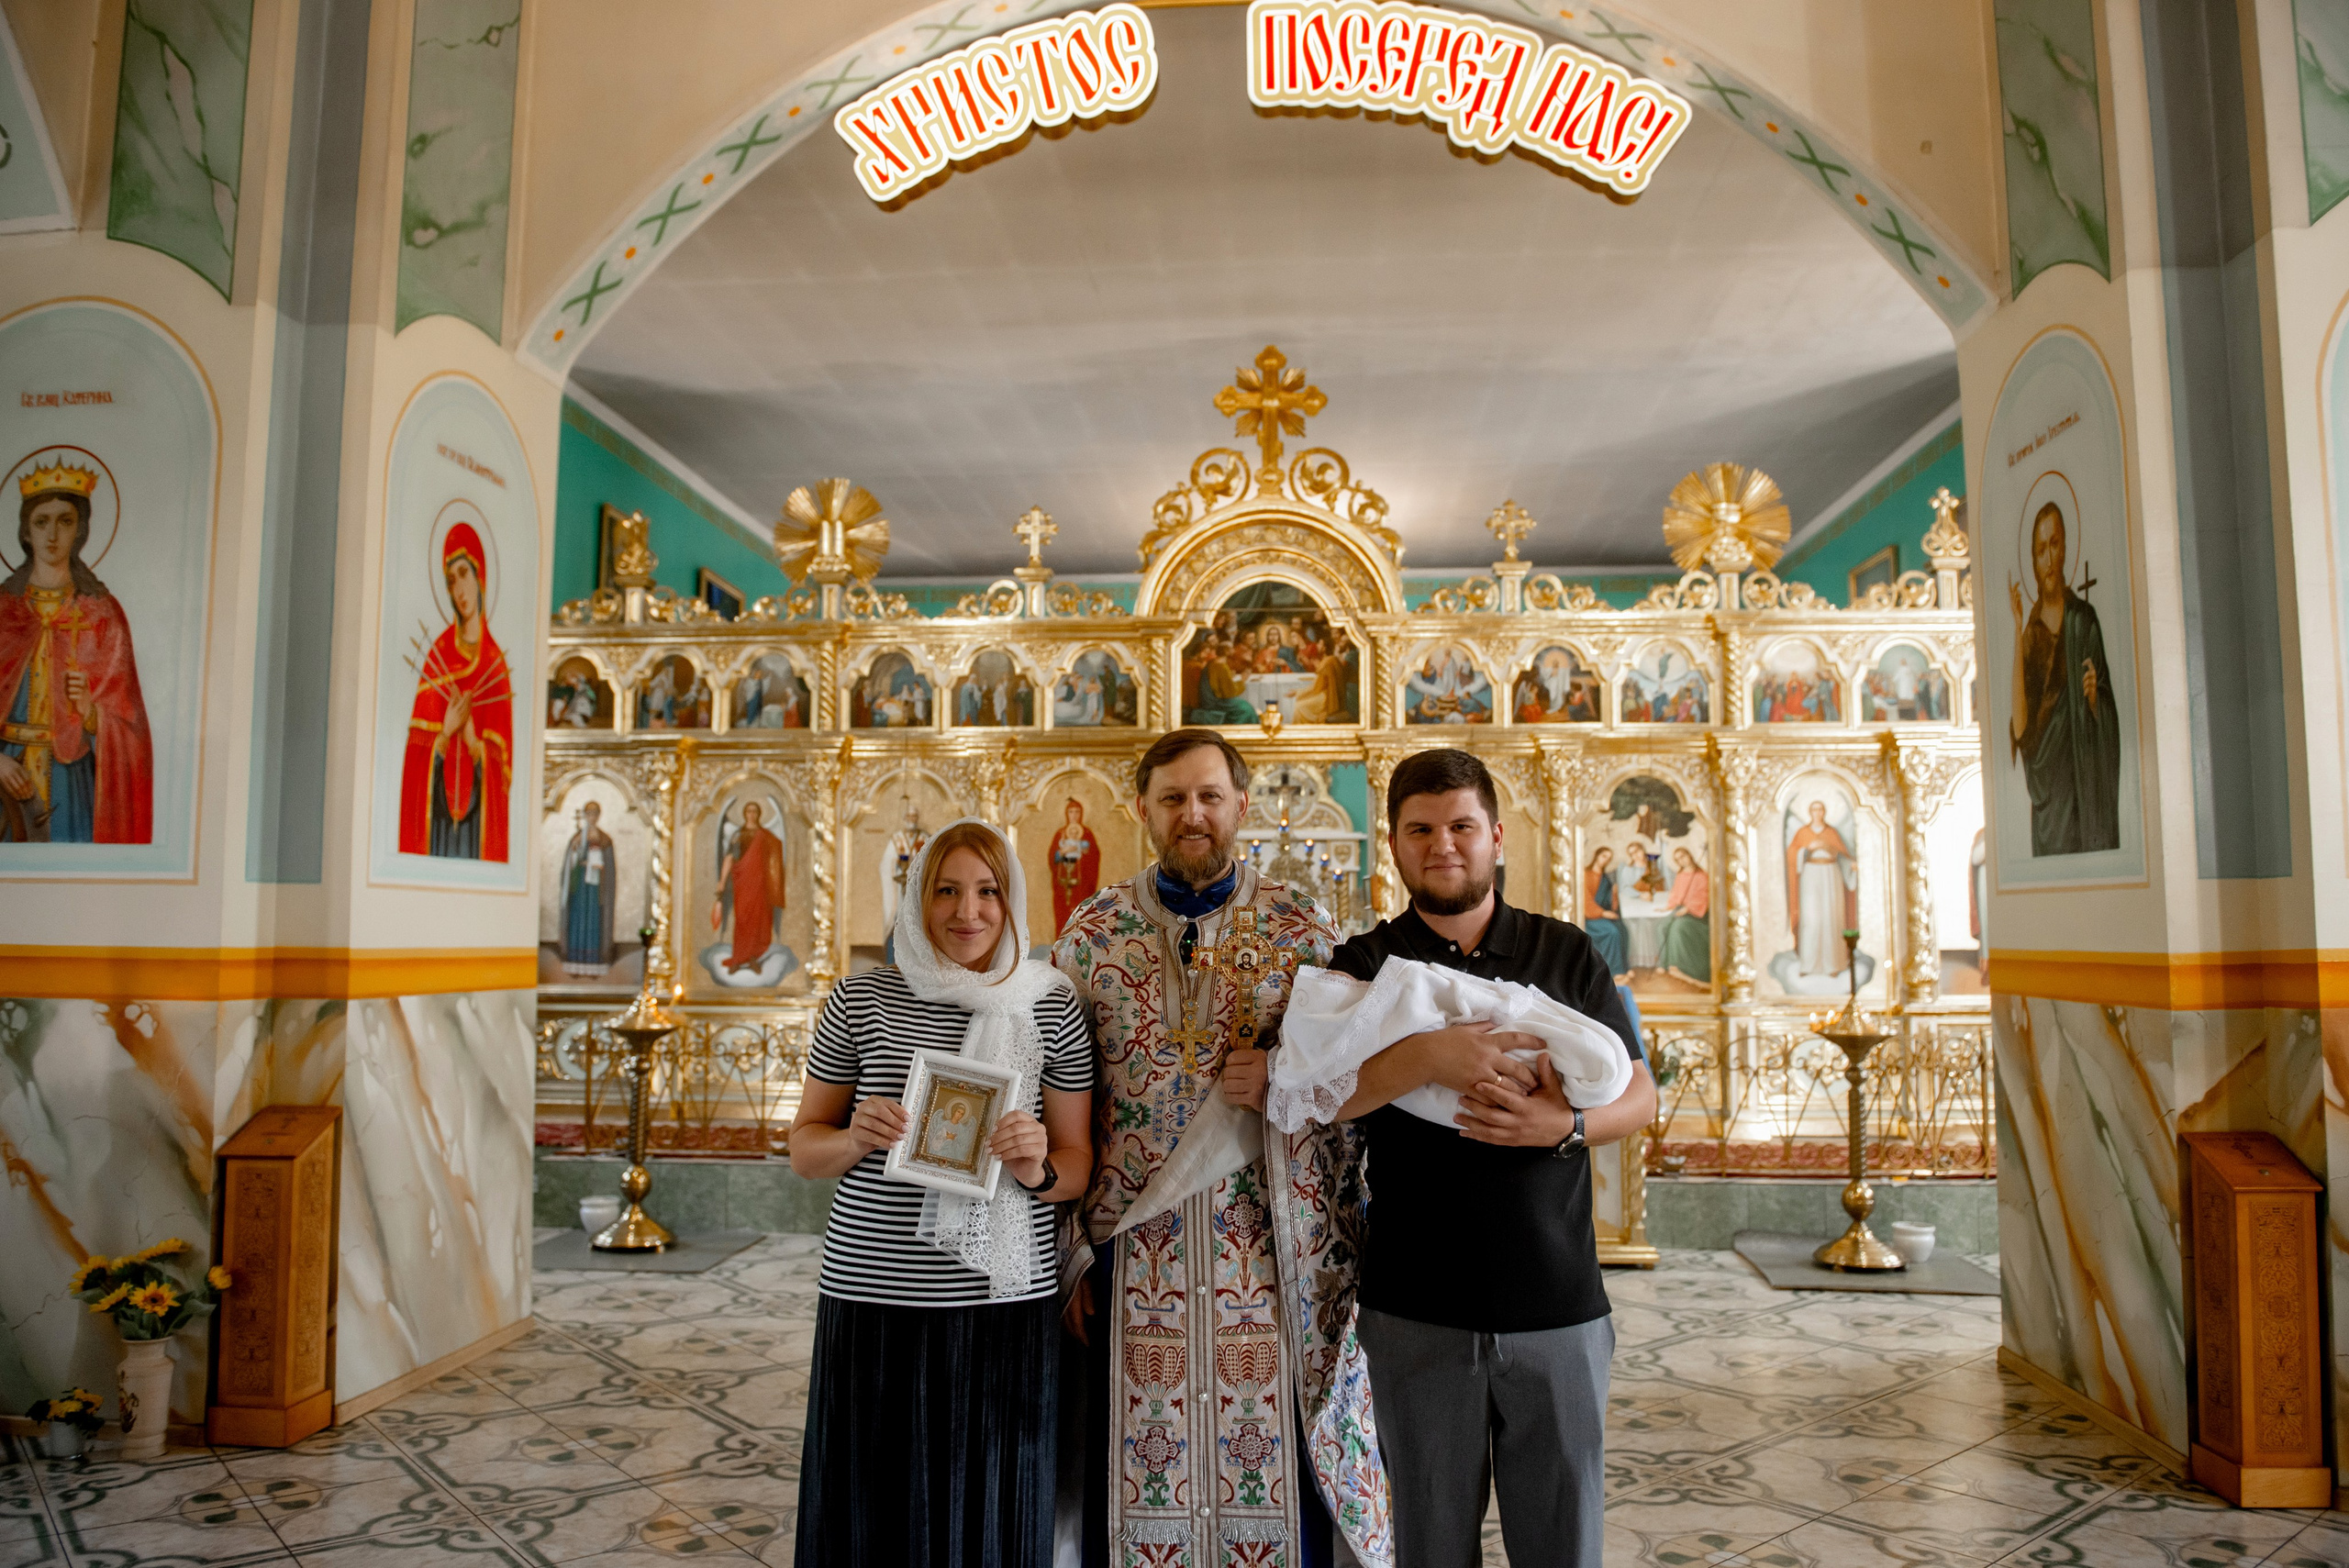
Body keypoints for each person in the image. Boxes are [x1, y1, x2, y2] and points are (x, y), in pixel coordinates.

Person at [1053, 728, 1390, 1563]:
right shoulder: (1090, 935)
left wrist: (1280, 1074)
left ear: (1242, 804)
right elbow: (1053, 1093)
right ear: (1143, 810)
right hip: (1131, 1255)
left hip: (1267, 1250)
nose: (1192, 814)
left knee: (1265, 1462)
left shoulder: (1301, 928)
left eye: (1209, 796)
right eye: (1173, 798)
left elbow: (1346, 1093)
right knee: (1136, 1468)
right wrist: (1066, 1256)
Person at [1323, 748, 1655, 1568]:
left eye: (1462, 826)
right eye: (1421, 829)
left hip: (1558, 1301)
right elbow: (1326, 1095)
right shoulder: (1365, 965)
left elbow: (1640, 1094)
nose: (1443, 845)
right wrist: (1432, 1057)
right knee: (1431, 1546)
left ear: (1496, 836)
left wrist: (1563, 1127)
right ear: (1393, 844)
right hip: (1416, 1307)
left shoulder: (1566, 953)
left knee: (1562, 1542)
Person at [789, 819, 1097, 1567]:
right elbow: (804, 1148)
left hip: (1000, 1299)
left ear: (1013, 898)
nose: (969, 911)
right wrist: (857, 1136)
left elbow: (1078, 1162)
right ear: (917, 899)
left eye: (988, 891)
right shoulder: (860, 999)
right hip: (874, 1291)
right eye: (947, 890)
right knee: (874, 1504)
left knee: (989, 1504)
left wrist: (1034, 1165)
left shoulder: (1049, 1002)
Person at [0, 461, 152, 842]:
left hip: (74, 785)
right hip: (6, 778)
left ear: (80, 530)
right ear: (25, 532)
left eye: (65, 521)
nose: (52, 534)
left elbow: (132, 728)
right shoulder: (4, 612)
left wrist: (91, 716)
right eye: (41, 522)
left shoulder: (102, 613)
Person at [2009, 500, 2121, 854]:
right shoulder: (2031, 634)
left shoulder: (2084, 620)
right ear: (2033, 559)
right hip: (2047, 788)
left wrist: (2093, 697)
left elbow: (2105, 705)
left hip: (2082, 779)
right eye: (2041, 549)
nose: (2049, 558)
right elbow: (2022, 727)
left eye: (2054, 544)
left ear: (2065, 547)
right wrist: (2015, 629)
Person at [398, 523, 512, 860]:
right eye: (451, 581)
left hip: (477, 824)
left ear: (480, 577)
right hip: (440, 824)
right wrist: (446, 733)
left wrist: (476, 744)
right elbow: (416, 758)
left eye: (464, 574)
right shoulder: (439, 657)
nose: (459, 589)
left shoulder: (494, 666)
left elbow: (504, 776)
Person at [712, 801, 785, 975]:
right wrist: (721, 882)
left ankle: (752, 957)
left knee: (758, 920)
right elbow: (730, 858)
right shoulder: (739, 835)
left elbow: (774, 860)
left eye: (755, 811)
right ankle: (738, 957)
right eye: (748, 811)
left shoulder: (765, 835)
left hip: (760, 885)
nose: (751, 815)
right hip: (743, 884)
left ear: (758, 814)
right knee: (743, 919)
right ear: (745, 814)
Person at [1787, 800, 1858, 978]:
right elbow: (1791, 856)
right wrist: (1806, 849)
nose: (1817, 813)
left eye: (1820, 809)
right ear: (1810, 812)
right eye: (1814, 809)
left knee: (1830, 917)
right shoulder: (1803, 833)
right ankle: (1808, 965)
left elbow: (1844, 856)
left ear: (1824, 812)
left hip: (1830, 874)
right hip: (1810, 875)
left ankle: (1832, 964)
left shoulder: (1831, 832)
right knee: (1810, 918)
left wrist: (1851, 864)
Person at [559, 801, 618, 976]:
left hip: (595, 890)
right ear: (585, 816)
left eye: (594, 814)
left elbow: (608, 867)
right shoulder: (577, 836)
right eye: (588, 814)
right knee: (577, 920)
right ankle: (574, 961)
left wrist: (598, 865)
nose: (591, 818)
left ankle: (594, 964)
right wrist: (576, 854)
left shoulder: (604, 839)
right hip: (579, 889)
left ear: (598, 816)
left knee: (593, 921)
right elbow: (570, 860)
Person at [1658, 847, 1710, 984]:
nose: (1682, 860)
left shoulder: (1702, 876)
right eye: (1678, 859)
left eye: (1683, 856)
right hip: (1681, 910)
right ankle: (1664, 963)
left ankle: (1677, 966)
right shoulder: (1681, 875)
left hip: (1697, 913)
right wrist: (1668, 907)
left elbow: (1703, 898)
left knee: (1678, 927)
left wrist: (1687, 908)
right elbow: (1676, 895)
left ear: (1689, 855)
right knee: (1662, 926)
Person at [1049, 797, 1101, 935]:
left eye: (1077, 812)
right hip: (1063, 884)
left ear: (1081, 813)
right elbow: (1052, 858)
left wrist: (1083, 852)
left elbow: (1095, 857)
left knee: (1081, 917)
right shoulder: (1060, 834)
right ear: (1067, 814)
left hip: (1082, 885)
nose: (1074, 815)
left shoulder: (1087, 834)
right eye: (1071, 812)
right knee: (1063, 916)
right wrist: (1062, 852)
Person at [1580, 846, 1628, 980]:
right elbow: (1586, 901)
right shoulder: (1585, 874)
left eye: (1609, 858)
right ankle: (1613, 971)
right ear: (1597, 856)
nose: (1605, 860)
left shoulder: (1605, 878)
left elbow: (1609, 904)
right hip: (1589, 917)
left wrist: (1614, 893)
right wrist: (1603, 913)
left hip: (1599, 915)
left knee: (1622, 928)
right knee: (1612, 932)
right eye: (1604, 856)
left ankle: (1624, 967)